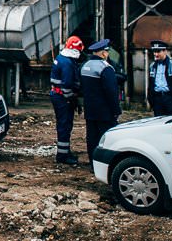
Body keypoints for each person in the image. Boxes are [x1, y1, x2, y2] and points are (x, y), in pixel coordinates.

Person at [80, 39, 121, 163]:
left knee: (92, 138)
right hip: (105, 112)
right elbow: (111, 92)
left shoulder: (84, 66)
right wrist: (116, 110)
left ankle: (93, 163)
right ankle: (106, 164)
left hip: (90, 110)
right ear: (103, 53)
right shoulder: (105, 68)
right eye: (107, 52)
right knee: (107, 138)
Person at [50, 35, 84, 165]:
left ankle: (63, 152)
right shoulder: (68, 63)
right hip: (63, 98)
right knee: (64, 126)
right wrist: (72, 100)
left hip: (58, 96)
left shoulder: (61, 58)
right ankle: (63, 156)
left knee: (62, 125)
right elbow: (67, 85)